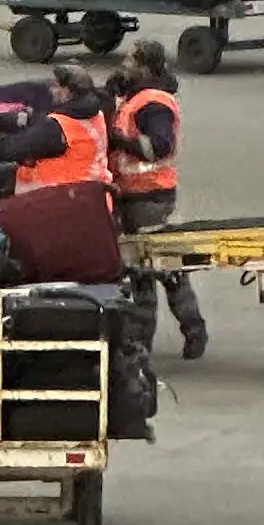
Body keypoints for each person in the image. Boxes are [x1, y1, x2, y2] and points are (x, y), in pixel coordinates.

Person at [107, 40, 207, 360]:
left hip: (147, 195)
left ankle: (143, 345)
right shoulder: (140, 97)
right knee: (164, 268)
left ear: (145, 66)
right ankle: (193, 329)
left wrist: (119, 140)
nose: (124, 65)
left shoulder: (152, 103)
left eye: (129, 60)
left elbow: (159, 147)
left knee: (144, 271)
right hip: (144, 194)